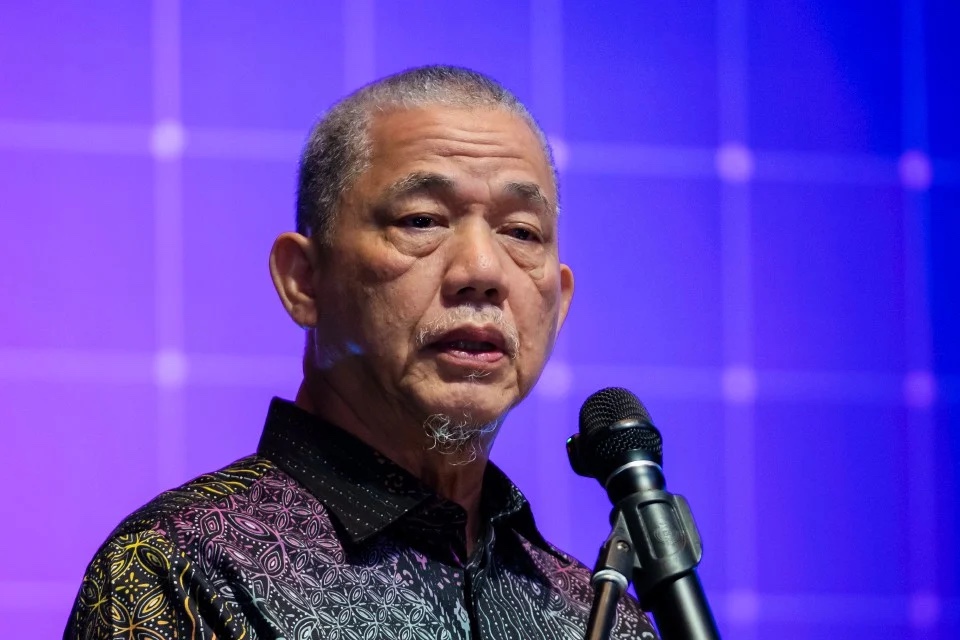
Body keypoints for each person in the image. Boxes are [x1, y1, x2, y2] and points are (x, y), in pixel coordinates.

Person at [65, 65, 658, 639]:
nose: (482, 271)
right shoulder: (181, 571)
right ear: (303, 280)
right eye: (422, 220)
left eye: (521, 232)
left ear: (559, 302)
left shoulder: (596, 618)